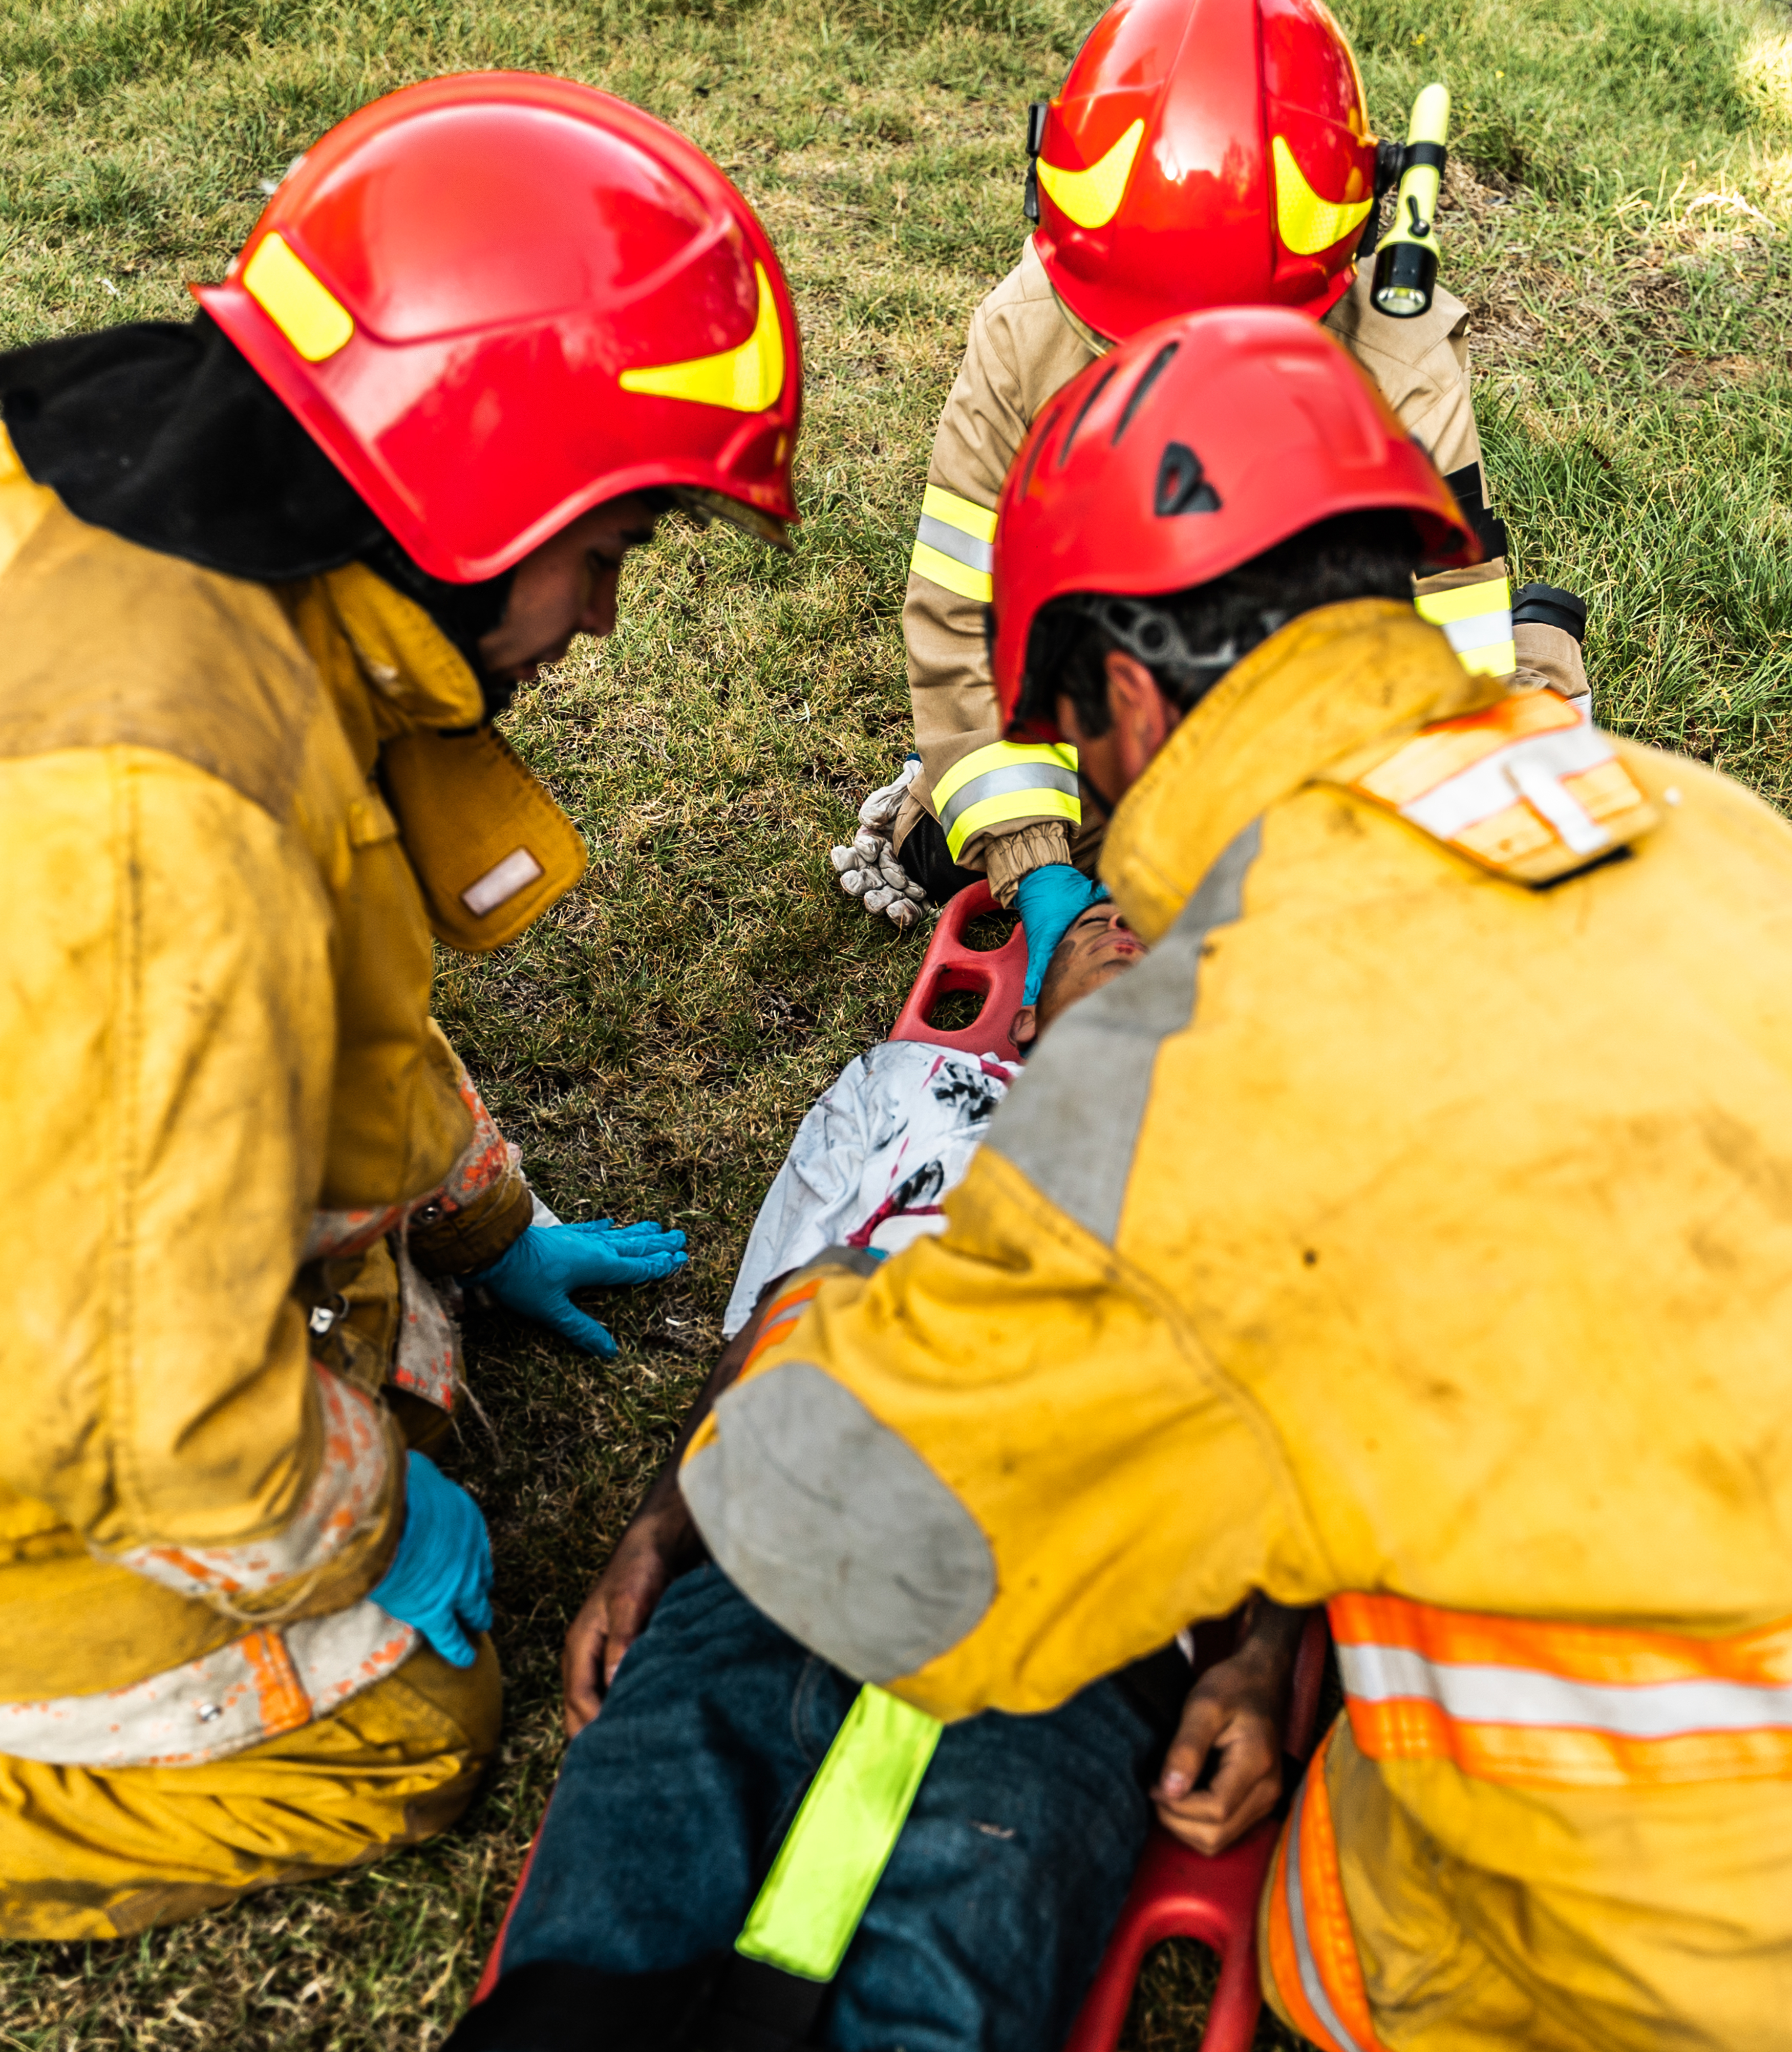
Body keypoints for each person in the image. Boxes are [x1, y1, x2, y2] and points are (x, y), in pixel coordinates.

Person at [0, 74, 802, 1975]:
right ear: (482, 485)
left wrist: (482, 1224)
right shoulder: (142, 811)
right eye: (611, 546)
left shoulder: (212, 592)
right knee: (398, 1723)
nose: (609, 615)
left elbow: (326, 1029)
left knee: (411, 1362)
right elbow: (104, 1372)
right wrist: (353, 1535)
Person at [676, 305, 1792, 2050]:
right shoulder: (1705, 825)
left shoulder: (1205, 1060)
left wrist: (826, 1310)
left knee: (1348, 1931)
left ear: (1123, 696)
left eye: (1060, 733)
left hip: (1680, 1940)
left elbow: (863, 1549)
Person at [449, 899, 1314, 2052]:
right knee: (583, 1990)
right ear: (1036, 1011)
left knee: (935, 2019)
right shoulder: (913, 1095)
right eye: (1103, 913)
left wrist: (1263, 1662)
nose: (1128, 925)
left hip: (1077, 1632)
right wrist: (657, 1532)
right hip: (778, 1559)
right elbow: (777, 1318)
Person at [838, 0, 1590, 993]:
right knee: (975, 833)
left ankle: (1547, 639)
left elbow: (1448, 660)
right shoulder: (1027, 334)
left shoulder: (1398, 367)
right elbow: (961, 616)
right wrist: (1038, 867)